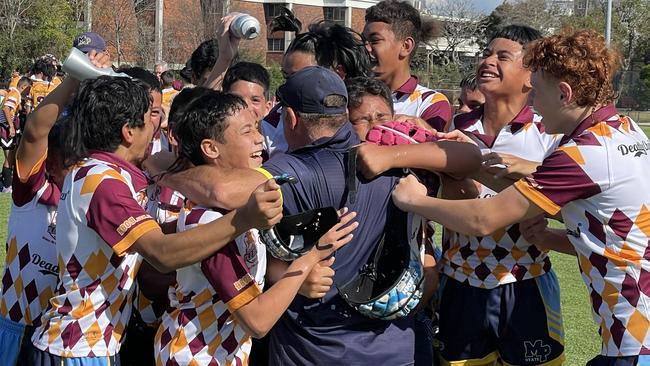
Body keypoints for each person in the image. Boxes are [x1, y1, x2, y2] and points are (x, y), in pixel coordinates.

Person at [147, 66, 480, 365]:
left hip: (311, 349)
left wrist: (165, 172)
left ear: (290, 118)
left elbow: (223, 191)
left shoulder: (286, 170)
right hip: (397, 347)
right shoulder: (398, 157)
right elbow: (470, 162)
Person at [390, 28, 650, 366]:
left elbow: (484, 219)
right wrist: (479, 161)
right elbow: (613, 237)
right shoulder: (626, 130)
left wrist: (414, 201)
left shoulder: (582, 154)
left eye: (537, 92)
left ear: (565, 93)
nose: (534, 103)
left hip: (635, 342)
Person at [27, 76, 283, 365]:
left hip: (92, 343)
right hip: (78, 345)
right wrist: (244, 219)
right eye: (149, 118)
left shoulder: (110, 171)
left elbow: (179, 180)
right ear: (128, 132)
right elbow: (162, 253)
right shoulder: (104, 182)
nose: (157, 126)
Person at [358, 24, 567, 366]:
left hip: (525, 282)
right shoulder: (456, 129)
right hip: (459, 283)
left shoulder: (548, 135)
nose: (487, 60)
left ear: (531, 76)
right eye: (486, 52)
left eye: (503, 56)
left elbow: (564, 206)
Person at [153, 90, 357, 365]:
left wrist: (295, 280)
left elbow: (255, 273)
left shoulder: (243, 209)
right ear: (211, 148)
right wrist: (311, 258)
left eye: (258, 128)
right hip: (195, 355)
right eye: (247, 131)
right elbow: (257, 320)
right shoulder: (210, 221)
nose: (260, 138)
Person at [0, 51, 111, 366]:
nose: (80, 169)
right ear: (48, 162)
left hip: (65, 341)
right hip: (16, 328)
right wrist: (75, 76)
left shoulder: (97, 200)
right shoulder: (33, 193)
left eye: (85, 160)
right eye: (71, 160)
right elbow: (35, 131)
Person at [262, 20, 374, 157]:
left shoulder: (374, 116)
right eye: (287, 78)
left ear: (338, 74)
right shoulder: (271, 125)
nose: (290, 87)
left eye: (302, 76)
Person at [363, 0, 452, 132]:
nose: (366, 48)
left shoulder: (431, 102)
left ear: (406, 46)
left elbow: (431, 148)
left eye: (374, 41)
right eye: (363, 41)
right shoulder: (354, 95)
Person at [1, 77, 31, 192]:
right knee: (9, 157)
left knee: (12, 155)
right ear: (23, 87)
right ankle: (6, 185)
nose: (28, 93)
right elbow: (6, 108)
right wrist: (11, 126)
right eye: (27, 90)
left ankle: (7, 182)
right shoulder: (15, 93)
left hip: (7, 126)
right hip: (5, 127)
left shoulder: (15, 93)